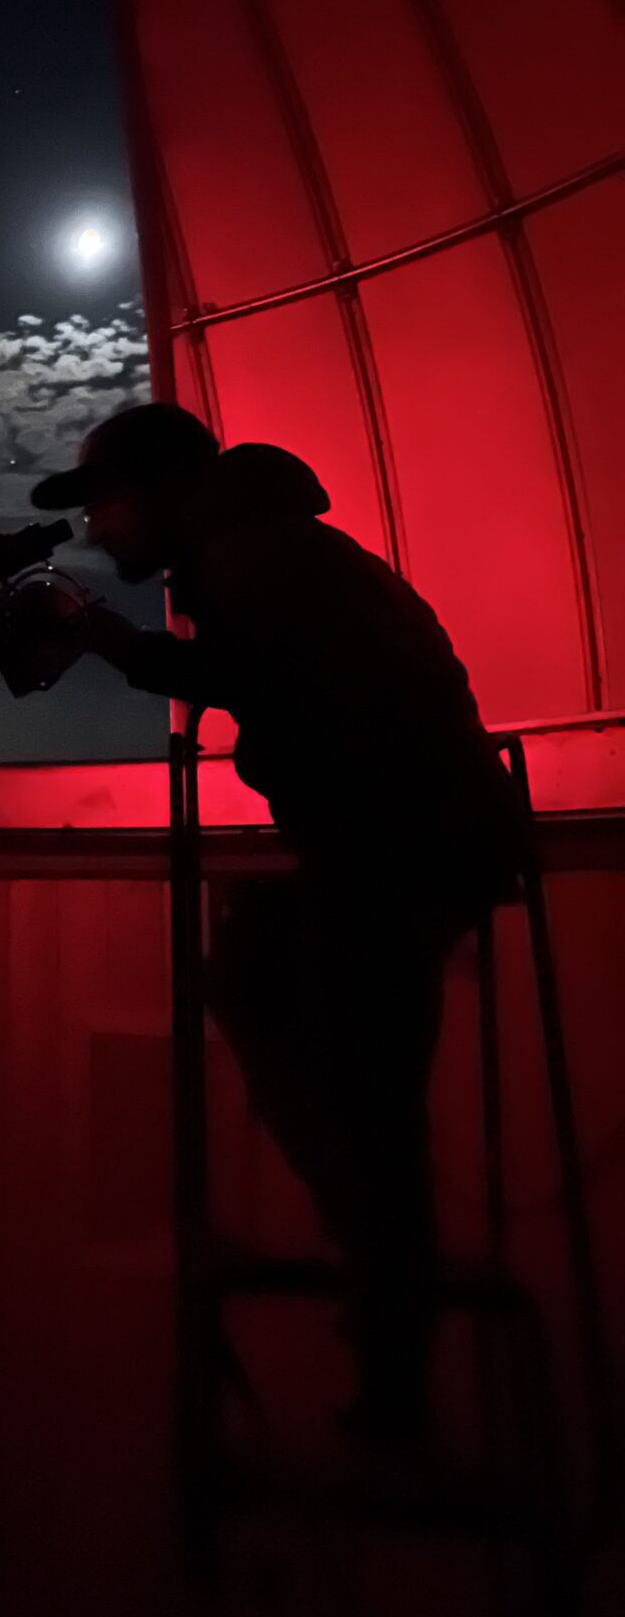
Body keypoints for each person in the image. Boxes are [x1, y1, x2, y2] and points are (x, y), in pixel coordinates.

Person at [28, 402, 524, 1441]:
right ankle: (381, 1274)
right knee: (280, 996)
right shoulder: (256, 544)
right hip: (413, 841)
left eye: (107, 502)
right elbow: (259, 676)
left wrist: (97, 635)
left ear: (161, 487)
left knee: (368, 1101)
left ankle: (393, 1356)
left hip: (399, 850)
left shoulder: (247, 554)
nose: (100, 528)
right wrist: (111, 637)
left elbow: (252, 678)